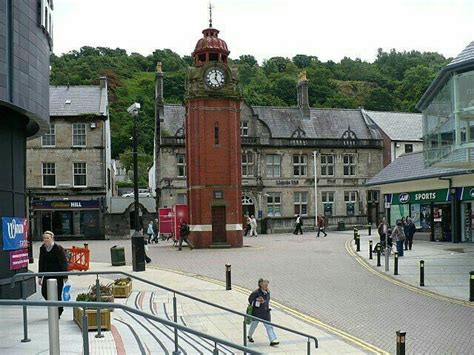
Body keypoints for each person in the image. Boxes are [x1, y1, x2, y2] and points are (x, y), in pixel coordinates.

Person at [38, 231, 68, 318]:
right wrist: (40, 276)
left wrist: (65, 275)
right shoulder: (42, 248)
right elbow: (41, 262)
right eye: (44, 238)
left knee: (57, 294)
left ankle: (58, 312)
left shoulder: (58, 248)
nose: (46, 240)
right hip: (47, 274)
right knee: (44, 292)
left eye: (48, 238)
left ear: (52, 238)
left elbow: (63, 262)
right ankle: (55, 306)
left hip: (57, 274)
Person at [247, 279, 279, 346]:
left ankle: (272, 340)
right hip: (257, 313)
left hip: (265, 312)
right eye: (265, 285)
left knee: (269, 326)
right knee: (253, 325)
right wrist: (258, 302)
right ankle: (249, 336)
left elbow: (267, 301)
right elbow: (250, 301)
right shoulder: (256, 293)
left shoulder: (268, 292)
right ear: (261, 285)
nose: (267, 286)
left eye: (267, 285)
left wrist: (264, 303)